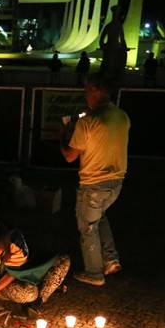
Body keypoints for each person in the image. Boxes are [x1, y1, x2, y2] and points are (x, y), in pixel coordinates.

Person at [60, 73, 130, 285]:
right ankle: (110, 259)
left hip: (93, 183)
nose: (85, 95)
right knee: (100, 219)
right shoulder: (122, 116)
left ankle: (94, 273)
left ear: (98, 90)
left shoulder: (88, 122)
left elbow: (69, 156)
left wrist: (63, 133)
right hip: (116, 182)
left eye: (87, 90)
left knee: (88, 228)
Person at [0, 221, 70, 318]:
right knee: (29, 294)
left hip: (22, 272)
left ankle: (37, 303)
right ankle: (42, 289)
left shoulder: (16, 245)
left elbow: (14, 273)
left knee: (64, 261)